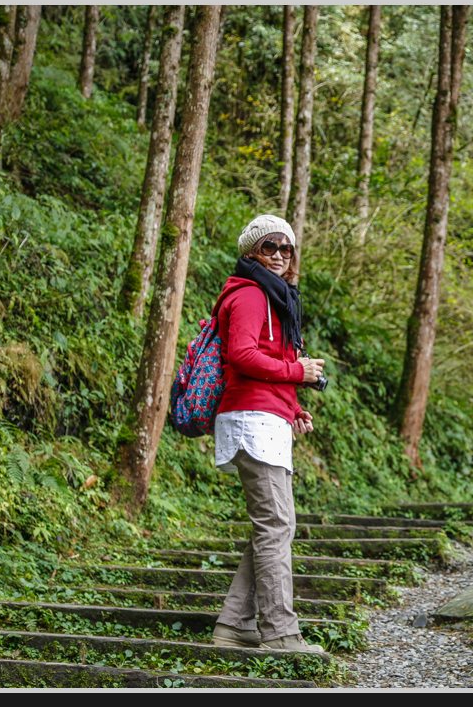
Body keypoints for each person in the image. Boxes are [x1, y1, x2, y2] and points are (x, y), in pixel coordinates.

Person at [208, 214, 326, 653]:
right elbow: (240, 355)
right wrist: (298, 370)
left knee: (275, 526)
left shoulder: (276, 298)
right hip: (250, 420)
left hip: (268, 416)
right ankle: (280, 632)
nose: (278, 255)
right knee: (276, 525)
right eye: (268, 247)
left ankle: (235, 623)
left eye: (286, 248)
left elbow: (270, 359)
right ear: (251, 253)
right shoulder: (252, 294)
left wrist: (295, 405)